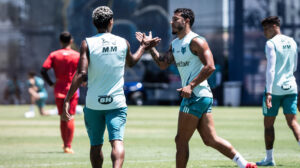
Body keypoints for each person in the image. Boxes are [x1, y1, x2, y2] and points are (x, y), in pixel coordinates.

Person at [136, 8, 256, 168]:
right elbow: (163, 64)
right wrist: (149, 47)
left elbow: (210, 66)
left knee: (180, 140)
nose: (171, 22)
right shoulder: (175, 44)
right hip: (200, 96)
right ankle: (245, 164)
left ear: (186, 21)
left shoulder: (197, 41)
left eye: (175, 19)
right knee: (210, 139)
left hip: (196, 95)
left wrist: (190, 86)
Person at [62, 6, 160, 168]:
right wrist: (143, 46)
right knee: (117, 142)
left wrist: (67, 99)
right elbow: (132, 62)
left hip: (94, 104)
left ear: (94, 23)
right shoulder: (123, 42)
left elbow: (81, 74)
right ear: (111, 22)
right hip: (116, 103)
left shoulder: (87, 43)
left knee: (95, 145)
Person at [256, 16, 300, 166]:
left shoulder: (270, 43)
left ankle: (269, 159)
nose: (264, 32)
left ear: (275, 26)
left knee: (268, 125)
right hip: (291, 87)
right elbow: (294, 67)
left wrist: (268, 92)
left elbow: (271, 69)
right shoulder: (292, 41)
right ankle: (269, 159)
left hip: (274, 90)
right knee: (293, 123)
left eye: (266, 28)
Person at [41, 31, 80, 154]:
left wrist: (51, 83)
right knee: (70, 116)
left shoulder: (54, 55)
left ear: (60, 41)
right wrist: (83, 81)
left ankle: (65, 145)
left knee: (63, 117)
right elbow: (83, 70)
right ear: (71, 41)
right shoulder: (77, 55)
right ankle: (68, 145)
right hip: (72, 89)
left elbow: (43, 70)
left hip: (59, 89)